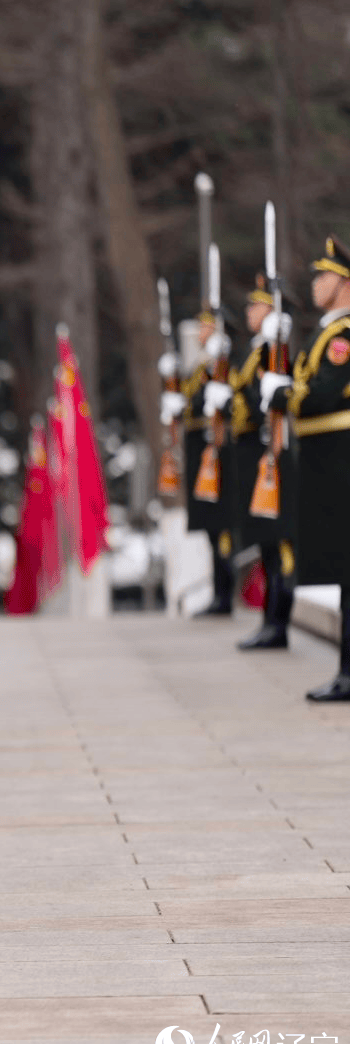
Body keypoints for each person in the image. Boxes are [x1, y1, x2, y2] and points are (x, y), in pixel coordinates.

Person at [267, 236, 350, 700]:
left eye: (323, 276)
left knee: (347, 567)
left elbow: (319, 394)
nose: (315, 284)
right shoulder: (326, 333)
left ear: (343, 282)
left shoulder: (344, 336)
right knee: (342, 568)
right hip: (327, 462)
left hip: (341, 459)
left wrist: (279, 393)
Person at [229, 273, 295, 651]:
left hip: (270, 453)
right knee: (265, 546)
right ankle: (269, 619)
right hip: (252, 453)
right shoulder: (257, 351)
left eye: (256, 305)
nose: (249, 312)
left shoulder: (273, 349)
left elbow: (273, 398)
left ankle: (278, 620)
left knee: (277, 544)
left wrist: (277, 345)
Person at [184, 311, 238, 616]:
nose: (200, 331)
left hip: (218, 452)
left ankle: (225, 594)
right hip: (201, 452)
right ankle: (219, 592)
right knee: (211, 529)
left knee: (222, 527)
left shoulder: (224, 365)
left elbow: (231, 406)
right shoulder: (203, 367)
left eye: (206, 326)